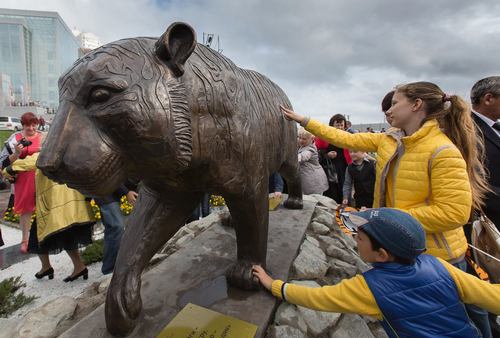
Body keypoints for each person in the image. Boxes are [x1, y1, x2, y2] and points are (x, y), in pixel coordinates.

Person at [280, 81, 493, 337]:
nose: (388, 110)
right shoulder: (390, 140)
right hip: (400, 253)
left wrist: (385, 220)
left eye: (395, 103)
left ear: (416, 105)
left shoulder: (442, 150)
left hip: (439, 259)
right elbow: (346, 138)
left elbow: (455, 212)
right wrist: (303, 120)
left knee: (467, 320)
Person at [253, 208, 500, 338]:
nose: (354, 241)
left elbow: (316, 297)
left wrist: (273, 284)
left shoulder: (370, 287)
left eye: (359, 238)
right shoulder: (439, 265)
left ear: (382, 254)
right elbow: (492, 297)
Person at [3, 152, 95, 282]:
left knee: (40, 235)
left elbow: (28, 163)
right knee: (65, 236)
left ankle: (60, 267)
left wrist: (7, 170)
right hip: (71, 204)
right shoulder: (68, 153)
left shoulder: (47, 153)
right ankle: (64, 267)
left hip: (54, 205)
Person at [6, 112, 42, 253]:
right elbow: (7, 161)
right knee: (26, 210)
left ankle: (43, 235)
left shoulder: (43, 137)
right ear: (23, 125)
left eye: (34, 125)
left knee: (43, 207)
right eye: (28, 125)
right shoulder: (15, 138)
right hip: (23, 179)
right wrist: (16, 153)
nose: (31, 128)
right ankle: (25, 240)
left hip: (40, 176)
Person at [470, 76, 500, 230]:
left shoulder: (495, 127)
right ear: (488, 99)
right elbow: (472, 180)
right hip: (489, 221)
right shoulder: (467, 130)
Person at [94, 183, 138, 275]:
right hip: (103, 190)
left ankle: (113, 265)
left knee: (113, 228)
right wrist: (126, 192)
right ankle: (109, 268)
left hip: (121, 186)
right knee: (116, 226)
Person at [315, 114, 352, 203]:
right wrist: (327, 155)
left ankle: (344, 207)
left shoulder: (348, 136)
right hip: (329, 168)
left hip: (344, 167)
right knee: (331, 190)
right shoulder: (325, 136)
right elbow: (318, 152)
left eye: (341, 125)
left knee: (344, 187)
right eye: (337, 125)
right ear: (332, 125)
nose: (339, 127)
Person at [297, 128, 328, 195]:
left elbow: (303, 156)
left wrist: (292, 158)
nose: (301, 140)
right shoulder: (303, 146)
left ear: (311, 139)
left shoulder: (310, 149)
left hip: (314, 181)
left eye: (304, 139)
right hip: (309, 180)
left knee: (315, 201)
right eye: (299, 138)